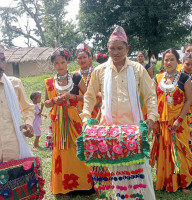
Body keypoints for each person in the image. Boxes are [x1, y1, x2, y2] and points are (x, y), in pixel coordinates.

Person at [80, 26, 159, 200]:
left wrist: (152, 118)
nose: (115, 52)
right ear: (107, 48)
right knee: (118, 180)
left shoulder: (138, 69)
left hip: (135, 132)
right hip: (110, 134)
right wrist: (86, 117)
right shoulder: (100, 71)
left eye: (120, 48)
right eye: (112, 48)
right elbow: (90, 96)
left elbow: (151, 96)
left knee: (141, 178)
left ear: (127, 48)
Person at [44, 49, 93, 195]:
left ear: (67, 62)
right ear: (53, 65)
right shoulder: (49, 82)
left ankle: (84, 185)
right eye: (56, 63)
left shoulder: (76, 77)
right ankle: (64, 187)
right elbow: (46, 103)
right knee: (62, 150)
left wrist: (73, 97)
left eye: (63, 62)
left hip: (74, 119)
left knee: (78, 148)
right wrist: (54, 100)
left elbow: (88, 96)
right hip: (58, 121)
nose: (60, 66)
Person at [150, 49, 192, 193]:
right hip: (162, 123)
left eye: (172, 59)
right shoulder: (157, 78)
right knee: (164, 151)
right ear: (163, 61)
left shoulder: (184, 78)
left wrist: (180, 120)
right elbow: (152, 101)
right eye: (166, 60)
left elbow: (188, 100)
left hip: (178, 123)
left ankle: (184, 182)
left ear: (178, 61)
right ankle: (165, 181)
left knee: (180, 151)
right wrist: (154, 121)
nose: (168, 62)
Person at [0, 44, 34, 163]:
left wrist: (29, 123)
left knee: (19, 181)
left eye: (2, 59)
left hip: (14, 149)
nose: (0, 64)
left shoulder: (14, 84)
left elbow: (27, 108)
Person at [75, 43, 102, 119]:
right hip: (78, 111)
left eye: (84, 57)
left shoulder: (97, 73)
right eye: (79, 58)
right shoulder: (73, 75)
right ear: (76, 60)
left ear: (89, 58)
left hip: (96, 108)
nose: (82, 60)